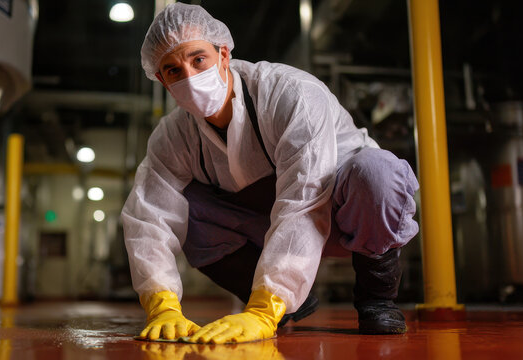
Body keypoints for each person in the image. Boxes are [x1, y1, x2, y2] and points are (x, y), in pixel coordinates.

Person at [121, 3, 419, 344]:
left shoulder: (291, 95)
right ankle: (291, 304)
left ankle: (375, 299)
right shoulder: (172, 136)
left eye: (198, 59)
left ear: (223, 53)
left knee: (378, 173)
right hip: (265, 224)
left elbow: (305, 198)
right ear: (160, 79)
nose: (189, 76)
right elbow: (148, 218)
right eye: (173, 70)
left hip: (344, 214)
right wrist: (161, 305)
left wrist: (266, 305)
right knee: (183, 205)